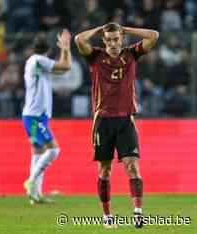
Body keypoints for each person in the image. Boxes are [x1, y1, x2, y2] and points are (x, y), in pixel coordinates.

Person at [74, 22, 159, 228]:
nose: (113, 43)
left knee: (132, 166)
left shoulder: (131, 55)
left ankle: (138, 212)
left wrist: (125, 29)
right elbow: (78, 40)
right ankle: (107, 216)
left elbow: (153, 35)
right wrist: (101, 28)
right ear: (104, 41)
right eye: (109, 39)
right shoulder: (95, 57)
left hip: (125, 119)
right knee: (104, 170)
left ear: (121, 39)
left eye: (116, 39)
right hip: (102, 120)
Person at [22, 30, 71, 204]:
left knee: (38, 151)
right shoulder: (38, 60)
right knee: (54, 149)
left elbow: (60, 70)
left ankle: (35, 194)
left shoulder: (34, 62)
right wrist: (66, 48)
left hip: (32, 115)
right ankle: (31, 181)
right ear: (48, 49)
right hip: (35, 116)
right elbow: (66, 67)